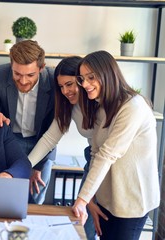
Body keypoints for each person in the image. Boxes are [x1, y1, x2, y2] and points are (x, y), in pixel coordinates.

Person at [72, 50, 160, 240]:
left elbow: (107, 154)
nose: (85, 84)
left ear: (107, 74)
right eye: (82, 79)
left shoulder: (133, 107)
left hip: (131, 202)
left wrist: (82, 199)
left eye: (91, 77)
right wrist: (91, 199)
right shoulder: (101, 106)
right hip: (108, 200)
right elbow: (95, 153)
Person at [27, 56, 96, 239]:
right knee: (82, 223)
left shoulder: (99, 103)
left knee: (92, 217)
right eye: (61, 86)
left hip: (108, 163)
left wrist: (91, 196)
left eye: (70, 84)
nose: (65, 91)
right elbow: (49, 139)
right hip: (93, 160)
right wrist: (23, 168)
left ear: (82, 80)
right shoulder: (70, 106)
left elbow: (108, 154)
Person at [0, 40, 56, 204]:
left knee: (34, 198)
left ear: (41, 67)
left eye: (30, 75)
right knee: (6, 194)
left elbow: (54, 130)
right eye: (17, 74)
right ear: (11, 65)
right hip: (9, 140)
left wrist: (37, 167)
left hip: (42, 141)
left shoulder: (53, 81)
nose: (23, 81)